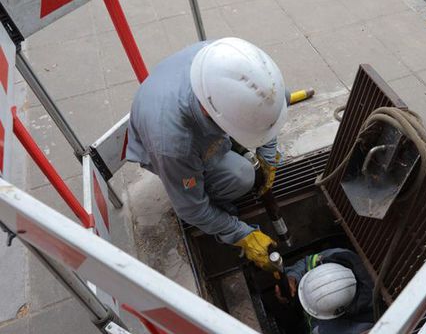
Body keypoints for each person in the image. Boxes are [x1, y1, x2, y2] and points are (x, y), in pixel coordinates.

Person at [126, 37, 288, 270]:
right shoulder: (174, 145)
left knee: (242, 169)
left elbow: (271, 104)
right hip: (162, 143)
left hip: (182, 109)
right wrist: (241, 233)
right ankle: (221, 212)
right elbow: (191, 208)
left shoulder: (231, 62)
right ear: (215, 116)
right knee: (240, 177)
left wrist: (268, 156)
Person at [275, 248, 375, 334]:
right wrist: (293, 277)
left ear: (340, 311)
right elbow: (307, 262)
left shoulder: (363, 323)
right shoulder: (337, 256)